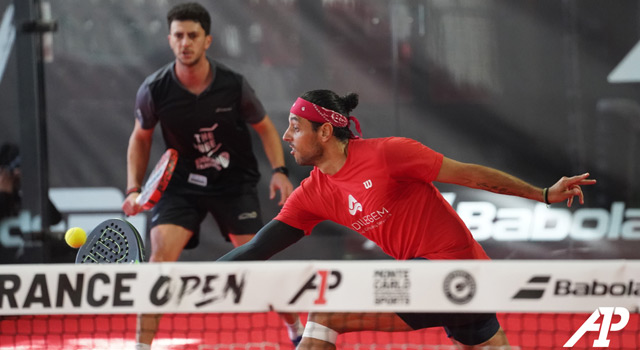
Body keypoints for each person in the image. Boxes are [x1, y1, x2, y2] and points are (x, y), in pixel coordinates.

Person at [218, 89, 597, 350]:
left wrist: (544, 194)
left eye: (296, 128)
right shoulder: (314, 193)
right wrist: (181, 281)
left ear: (326, 131)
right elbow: (258, 248)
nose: (287, 136)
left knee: (325, 310)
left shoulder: (389, 154)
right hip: (448, 281)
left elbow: (473, 176)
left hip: (451, 272)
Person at [120, 3, 301, 349]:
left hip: (233, 184)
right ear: (169, 40)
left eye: (192, 35)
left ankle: (295, 328)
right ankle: (142, 346)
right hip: (180, 184)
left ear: (207, 41)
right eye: (178, 36)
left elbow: (264, 128)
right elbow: (140, 138)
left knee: (256, 260)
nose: (184, 42)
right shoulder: (155, 89)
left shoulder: (233, 85)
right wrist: (133, 188)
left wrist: (279, 171)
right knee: (158, 262)